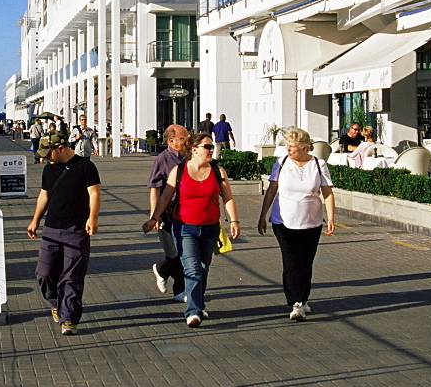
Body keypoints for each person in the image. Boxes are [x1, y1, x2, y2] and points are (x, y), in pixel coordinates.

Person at [144, 132, 240, 328]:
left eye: (212, 147)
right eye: (208, 147)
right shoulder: (178, 171)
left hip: (210, 228)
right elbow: (165, 197)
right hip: (184, 227)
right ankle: (193, 312)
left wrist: (234, 220)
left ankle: (199, 304)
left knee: (203, 268)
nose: (212, 150)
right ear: (194, 149)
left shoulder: (217, 171)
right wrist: (154, 217)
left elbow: (228, 197)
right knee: (192, 268)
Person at [257, 126, 336, 321]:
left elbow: (327, 192)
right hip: (283, 220)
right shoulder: (282, 162)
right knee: (291, 260)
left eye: (292, 146)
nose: (288, 150)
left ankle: (303, 298)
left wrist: (332, 217)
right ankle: (296, 302)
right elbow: (271, 189)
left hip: (311, 221)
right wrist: (262, 216)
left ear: (304, 147)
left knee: (306, 261)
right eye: (287, 146)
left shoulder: (318, 164)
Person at [27, 131, 102, 336]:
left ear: (61, 148)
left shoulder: (85, 167)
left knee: (72, 276)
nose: (44, 158)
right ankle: (56, 303)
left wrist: (92, 217)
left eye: (47, 153)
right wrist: (35, 220)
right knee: (43, 274)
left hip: (76, 230)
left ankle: (69, 319)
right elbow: (45, 195)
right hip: (51, 228)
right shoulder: (48, 169)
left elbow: (94, 193)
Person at [146, 124, 189, 301]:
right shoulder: (162, 160)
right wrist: (154, 215)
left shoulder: (189, 157)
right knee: (174, 254)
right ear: (171, 141)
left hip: (186, 211)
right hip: (167, 211)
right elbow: (155, 189)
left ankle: (180, 290)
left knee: (185, 252)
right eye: (183, 138)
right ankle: (162, 269)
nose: (187, 140)